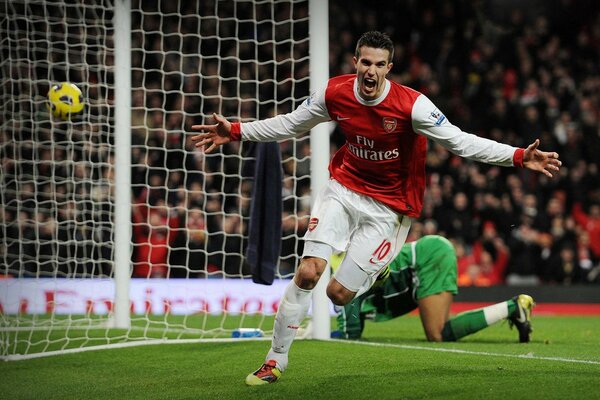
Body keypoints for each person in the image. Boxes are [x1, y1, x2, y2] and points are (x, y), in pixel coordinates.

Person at [190, 31, 561, 385]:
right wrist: (237, 131)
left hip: (389, 208)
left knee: (338, 295)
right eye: (365, 62)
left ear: (389, 68)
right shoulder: (335, 93)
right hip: (344, 188)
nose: (370, 71)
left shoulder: (412, 106)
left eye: (379, 64)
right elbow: (291, 124)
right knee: (307, 273)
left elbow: (461, 143)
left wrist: (516, 156)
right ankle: (275, 359)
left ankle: (378, 269)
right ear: (355, 62)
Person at [329, 235, 535, 343]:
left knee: (436, 335)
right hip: (432, 251)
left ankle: (512, 307)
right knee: (442, 331)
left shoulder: (345, 279)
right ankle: (513, 308)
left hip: (427, 257)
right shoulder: (352, 267)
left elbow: (350, 331)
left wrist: (323, 333)